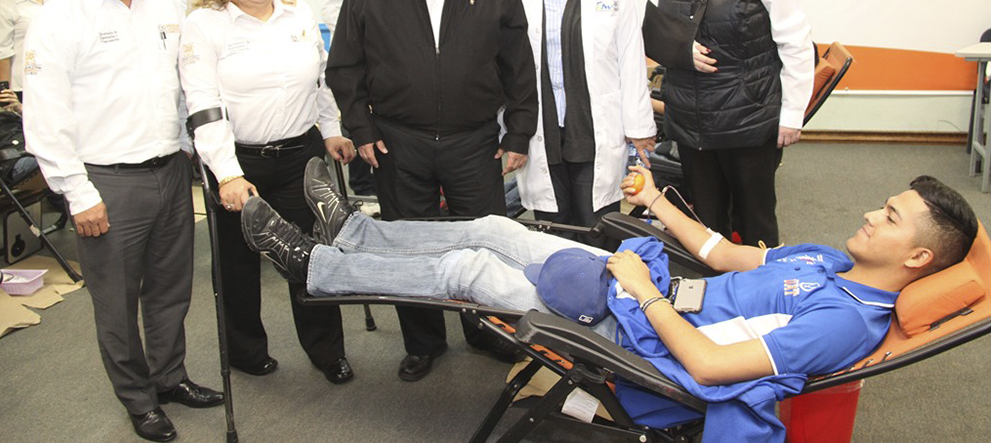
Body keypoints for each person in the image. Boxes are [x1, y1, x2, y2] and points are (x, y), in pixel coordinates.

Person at [241, 159, 979, 440]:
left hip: (640, 336)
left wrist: (641, 294)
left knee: (472, 267)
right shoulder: (825, 258)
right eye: (882, 202)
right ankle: (355, 230)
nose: (871, 214)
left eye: (889, 216)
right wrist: (658, 201)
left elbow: (713, 368)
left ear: (917, 257)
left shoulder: (842, 323)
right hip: (645, 289)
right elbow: (723, 255)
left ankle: (316, 269)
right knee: (499, 224)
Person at [326, 0, 538, 381]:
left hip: (474, 142)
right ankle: (424, 342)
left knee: (484, 246)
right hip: (400, 142)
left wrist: (519, 132)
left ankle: (487, 331)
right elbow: (345, 63)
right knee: (408, 247)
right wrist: (362, 128)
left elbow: (517, 63)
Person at [22, 0, 222, 443]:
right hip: (105, 183)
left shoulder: (163, 7)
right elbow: (46, 116)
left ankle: (169, 376)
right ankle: (137, 398)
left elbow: (183, 88)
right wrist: (76, 192)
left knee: (170, 289)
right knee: (116, 301)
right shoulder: (58, 18)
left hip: (169, 171)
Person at [179, 0, 356, 385]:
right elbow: (204, 106)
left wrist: (332, 130)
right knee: (238, 266)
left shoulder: (297, 14)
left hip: (301, 155)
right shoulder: (204, 25)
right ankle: (245, 351)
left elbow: (321, 80)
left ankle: (326, 351)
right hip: (240, 164)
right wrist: (227, 174)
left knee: (312, 255)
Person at [642, 0, 814, 248]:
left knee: (755, 224)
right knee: (705, 223)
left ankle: (765, 295)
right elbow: (656, 33)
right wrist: (680, 51)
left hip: (747, 121)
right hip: (689, 121)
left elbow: (796, 43)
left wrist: (791, 115)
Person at [512, 0, 654, 235]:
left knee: (597, 225)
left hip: (594, 126)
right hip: (541, 126)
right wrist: (507, 129)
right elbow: (505, 63)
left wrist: (639, 128)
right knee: (551, 227)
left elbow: (631, 60)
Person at [317, 0, 398, 213]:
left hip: (387, 64)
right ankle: (364, 196)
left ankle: (381, 187)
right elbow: (340, 19)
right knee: (360, 123)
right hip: (359, 61)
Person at [0, 0, 55, 102]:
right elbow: (2, 53)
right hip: (24, 86)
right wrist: (5, 93)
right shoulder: (6, 6)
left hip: (55, 80)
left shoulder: (57, 0)